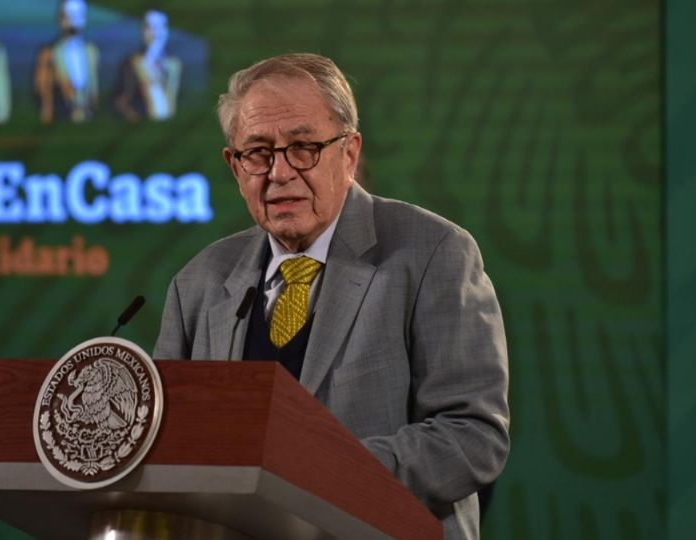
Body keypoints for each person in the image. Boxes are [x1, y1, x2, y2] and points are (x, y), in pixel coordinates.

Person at [153, 53, 510, 539]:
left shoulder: (432, 253)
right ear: (234, 167)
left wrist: (326, 471)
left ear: (350, 152)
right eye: (258, 152)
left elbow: (473, 436)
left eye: (303, 147)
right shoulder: (198, 283)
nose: (279, 173)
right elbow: (166, 446)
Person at [34, 0, 99, 123]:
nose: (71, 21)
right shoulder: (49, 53)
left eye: (76, 15)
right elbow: (43, 90)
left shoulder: (91, 52)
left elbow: (93, 89)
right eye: (66, 16)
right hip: (61, 116)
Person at [113, 9, 182, 122]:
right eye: (151, 27)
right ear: (143, 31)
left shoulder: (174, 65)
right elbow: (119, 101)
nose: (156, 33)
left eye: (160, 27)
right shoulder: (131, 63)